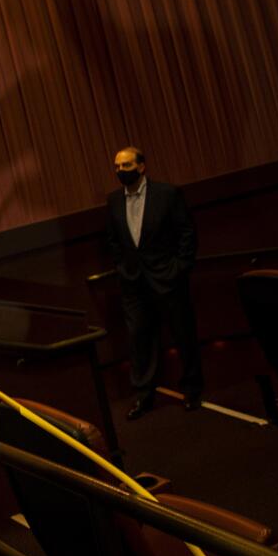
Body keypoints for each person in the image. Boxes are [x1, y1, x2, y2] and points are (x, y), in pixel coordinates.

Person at [106, 147, 202, 420]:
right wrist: (123, 268)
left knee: (183, 333)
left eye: (126, 166)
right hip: (133, 283)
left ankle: (192, 390)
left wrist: (179, 268)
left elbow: (187, 232)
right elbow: (113, 240)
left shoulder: (167, 194)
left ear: (142, 166)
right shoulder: (113, 201)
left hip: (167, 278)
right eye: (117, 167)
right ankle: (144, 396)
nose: (120, 171)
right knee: (139, 339)